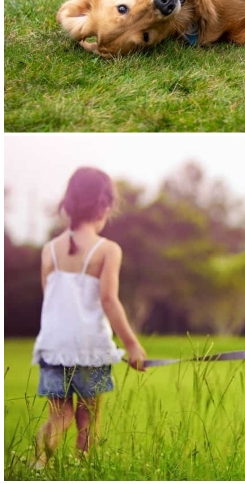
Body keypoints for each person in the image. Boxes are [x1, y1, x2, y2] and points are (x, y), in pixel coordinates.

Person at [32, 167, 147, 467]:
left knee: (59, 416)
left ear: (67, 205)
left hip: (54, 347)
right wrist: (132, 345)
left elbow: (50, 300)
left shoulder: (49, 250)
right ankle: (84, 471)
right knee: (88, 420)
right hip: (90, 349)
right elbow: (109, 300)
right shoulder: (107, 250)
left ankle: (37, 465)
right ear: (104, 207)